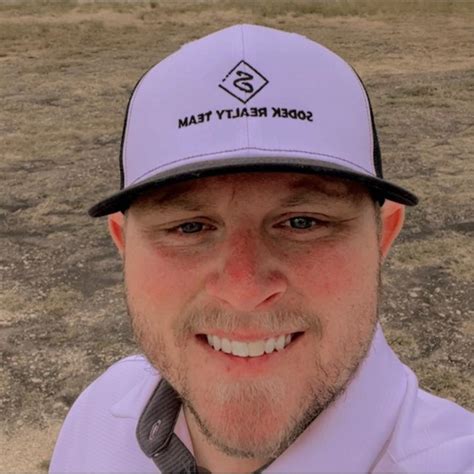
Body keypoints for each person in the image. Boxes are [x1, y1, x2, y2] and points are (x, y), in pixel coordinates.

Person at [49, 24, 473, 473]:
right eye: (189, 227)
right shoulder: (98, 417)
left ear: (382, 235)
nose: (244, 289)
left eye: (302, 222)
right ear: (123, 244)